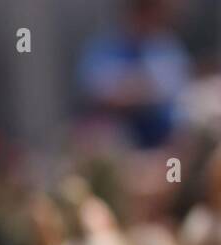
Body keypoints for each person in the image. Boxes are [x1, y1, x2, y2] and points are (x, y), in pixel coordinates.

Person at [77, 0, 192, 148]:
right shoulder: (103, 47)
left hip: (163, 138)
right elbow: (96, 92)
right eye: (141, 11)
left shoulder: (168, 48)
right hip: (117, 140)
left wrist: (127, 89)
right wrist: (142, 89)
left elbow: (172, 91)